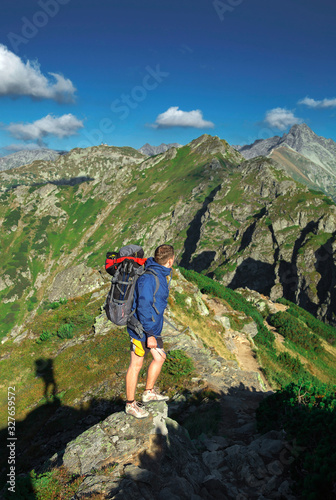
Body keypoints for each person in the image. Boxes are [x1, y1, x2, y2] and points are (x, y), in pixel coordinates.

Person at [125, 244, 175, 418]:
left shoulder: (159, 273)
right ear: (171, 260)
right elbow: (144, 307)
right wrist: (150, 335)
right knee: (136, 365)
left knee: (160, 357)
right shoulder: (149, 278)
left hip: (151, 328)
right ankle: (130, 405)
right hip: (141, 330)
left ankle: (148, 392)